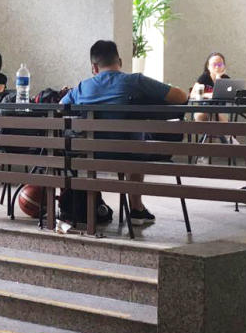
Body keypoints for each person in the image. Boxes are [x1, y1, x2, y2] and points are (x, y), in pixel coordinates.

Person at [60, 39, 187, 226]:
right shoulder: (134, 81)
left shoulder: (82, 87)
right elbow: (181, 97)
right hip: (129, 152)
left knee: (134, 142)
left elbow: (61, 106)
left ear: (94, 67)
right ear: (119, 62)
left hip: (91, 154)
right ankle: (136, 208)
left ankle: (105, 205)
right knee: (138, 143)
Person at [191, 51, 230, 122]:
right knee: (201, 115)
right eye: (214, 64)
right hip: (203, 108)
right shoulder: (204, 78)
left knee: (220, 117)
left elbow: (230, 95)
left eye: (220, 64)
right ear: (208, 66)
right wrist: (208, 95)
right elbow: (192, 95)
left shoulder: (226, 79)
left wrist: (218, 78)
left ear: (224, 66)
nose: (217, 67)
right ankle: (210, 133)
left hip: (221, 110)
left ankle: (222, 133)